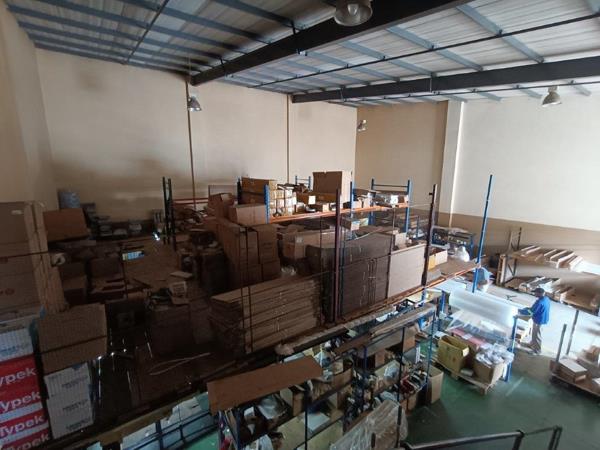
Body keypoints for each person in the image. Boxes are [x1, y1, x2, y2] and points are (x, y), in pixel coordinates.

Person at [519, 287, 551, 355]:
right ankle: (532, 344)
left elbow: (531, 312)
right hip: (542, 318)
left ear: (540, 293)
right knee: (534, 333)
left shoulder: (540, 302)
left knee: (537, 335)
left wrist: (521, 311)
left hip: (539, 320)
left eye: (535, 293)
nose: (534, 294)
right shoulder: (546, 299)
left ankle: (537, 350)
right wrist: (527, 308)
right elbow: (534, 309)